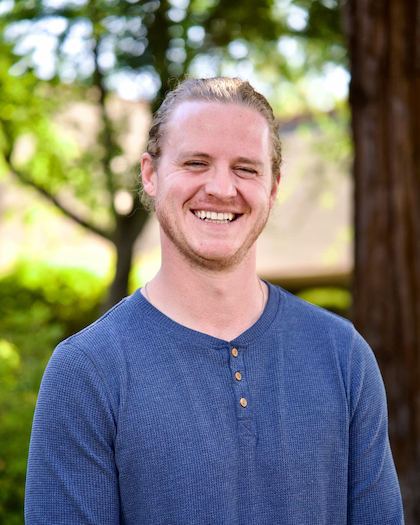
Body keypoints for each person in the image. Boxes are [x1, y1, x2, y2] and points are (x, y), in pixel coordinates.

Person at [25, 77, 404, 524]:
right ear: (151, 174)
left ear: (274, 186)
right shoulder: (86, 372)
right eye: (196, 162)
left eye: (246, 168)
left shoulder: (344, 357)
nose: (222, 189)